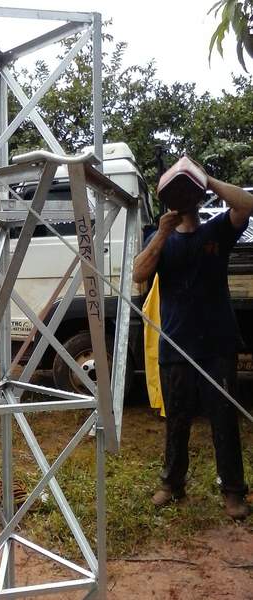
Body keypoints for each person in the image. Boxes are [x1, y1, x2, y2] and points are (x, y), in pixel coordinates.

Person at [133, 164, 253, 520]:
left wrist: (205, 179)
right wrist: (159, 236)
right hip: (176, 344)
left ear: (199, 199)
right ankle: (172, 483)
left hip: (217, 342)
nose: (184, 201)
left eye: (189, 195)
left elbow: (246, 204)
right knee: (177, 419)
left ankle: (233, 492)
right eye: (178, 195)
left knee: (223, 417)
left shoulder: (218, 230)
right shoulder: (161, 237)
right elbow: (139, 274)